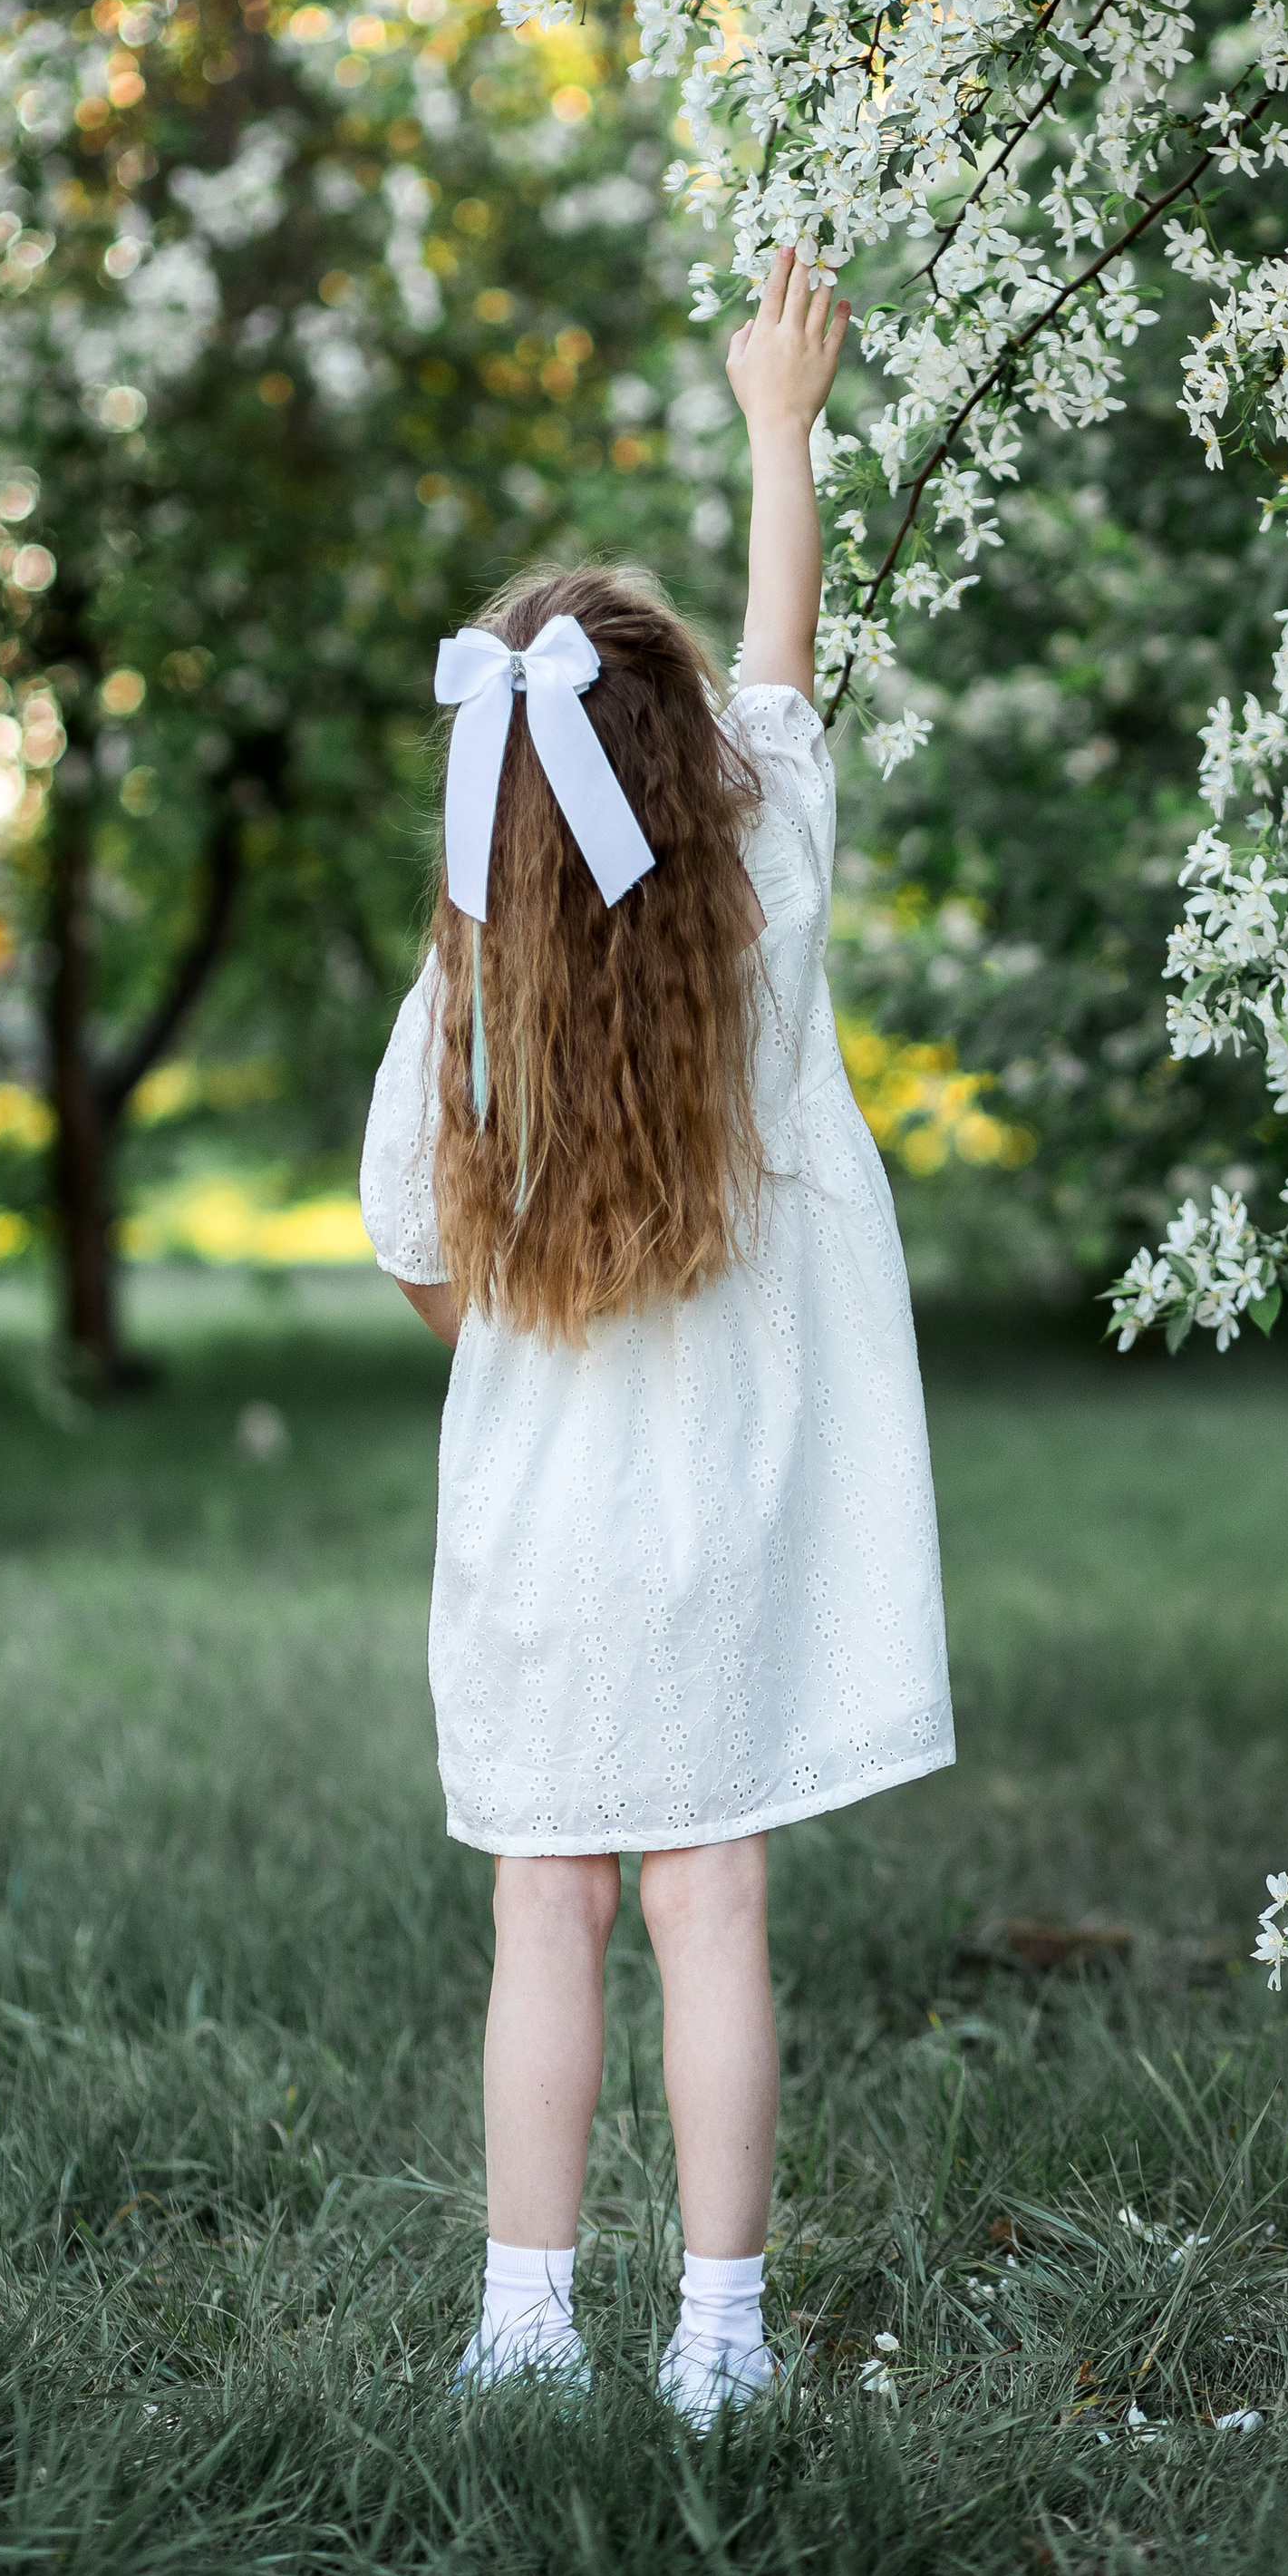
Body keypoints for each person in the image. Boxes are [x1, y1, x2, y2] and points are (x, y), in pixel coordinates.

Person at [358, 246, 955, 2420]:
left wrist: (510, 1355)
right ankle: (721, 2340)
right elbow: (785, 680)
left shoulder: (463, 1004)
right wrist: (772, 430)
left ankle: (522, 2326)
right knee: (712, 1903)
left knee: (547, 1909)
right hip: (725, 1521)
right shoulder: (761, 909)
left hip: (537, 1525)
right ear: (679, 760)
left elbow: (405, 1238)